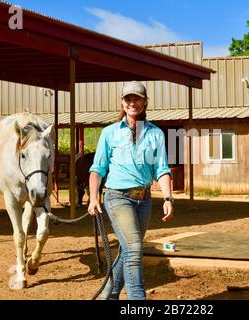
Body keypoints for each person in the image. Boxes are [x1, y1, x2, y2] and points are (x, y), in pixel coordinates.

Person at [87, 81, 174, 300]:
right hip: (117, 197)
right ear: (122, 103)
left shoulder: (156, 134)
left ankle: (109, 295)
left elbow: (162, 168)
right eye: (128, 99)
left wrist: (167, 197)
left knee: (128, 249)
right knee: (135, 249)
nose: (132, 103)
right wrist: (93, 198)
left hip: (144, 200)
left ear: (145, 102)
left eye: (137, 99)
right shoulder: (110, 133)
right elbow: (97, 169)